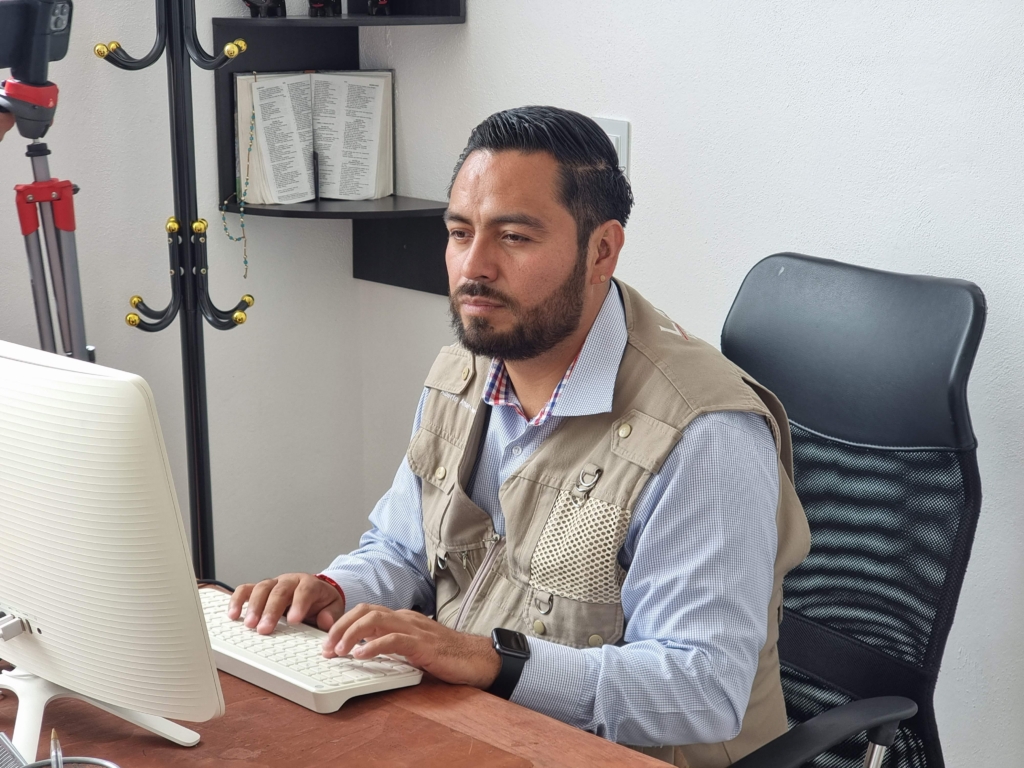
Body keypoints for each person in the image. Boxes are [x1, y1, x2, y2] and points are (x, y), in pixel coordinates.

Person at [230, 106, 810, 768]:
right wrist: (337, 592)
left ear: (602, 250)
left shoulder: (703, 432)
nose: (473, 268)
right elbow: (403, 549)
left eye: (514, 238)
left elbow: (701, 689)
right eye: (458, 232)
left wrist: (489, 659)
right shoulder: (467, 366)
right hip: (476, 730)